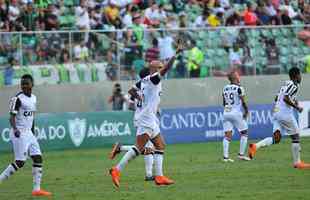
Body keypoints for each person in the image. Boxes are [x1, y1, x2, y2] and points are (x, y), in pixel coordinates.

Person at [109, 43, 183, 187]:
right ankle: (116, 170)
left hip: (150, 118)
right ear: (154, 69)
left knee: (160, 145)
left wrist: (139, 97)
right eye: (159, 67)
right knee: (139, 148)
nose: (162, 69)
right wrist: (176, 54)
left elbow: (131, 91)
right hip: (146, 119)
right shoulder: (154, 79)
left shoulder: (143, 81)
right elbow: (167, 68)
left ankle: (159, 176)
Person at [0, 74, 52, 197]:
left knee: (38, 158)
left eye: (26, 83)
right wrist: (15, 129)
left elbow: (31, 117)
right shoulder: (18, 99)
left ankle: (36, 189)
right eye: (22, 84)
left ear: (32, 84)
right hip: (19, 133)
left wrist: (32, 132)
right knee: (20, 162)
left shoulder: (33, 98)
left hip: (29, 133)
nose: (24, 86)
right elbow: (11, 116)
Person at [248, 67, 310, 169]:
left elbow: (277, 97)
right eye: (300, 75)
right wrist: (297, 107)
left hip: (276, 112)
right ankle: (297, 163)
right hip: (284, 114)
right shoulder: (294, 85)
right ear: (296, 76)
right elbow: (286, 98)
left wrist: (293, 101)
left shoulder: (286, 84)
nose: (301, 77)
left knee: (276, 138)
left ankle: (255, 146)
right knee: (296, 137)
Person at [109, 68, 157, 181]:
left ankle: (148, 174)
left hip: (138, 118)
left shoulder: (138, 87)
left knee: (147, 148)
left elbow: (130, 106)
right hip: (145, 119)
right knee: (147, 147)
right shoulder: (148, 88)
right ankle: (148, 174)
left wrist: (139, 107)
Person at [222, 71, 251, 162]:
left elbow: (224, 103)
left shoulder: (225, 88)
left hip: (226, 113)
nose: (239, 77)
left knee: (227, 135)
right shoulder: (239, 88)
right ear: (234, 78)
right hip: (235, 113)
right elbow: (243, 102)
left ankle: (225, 157)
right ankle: (241, 155)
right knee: (244, 132)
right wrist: (246, 111)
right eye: (237, 75)